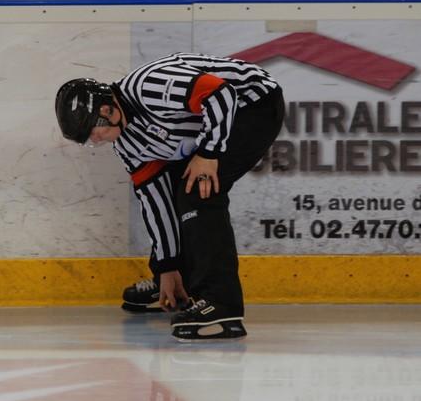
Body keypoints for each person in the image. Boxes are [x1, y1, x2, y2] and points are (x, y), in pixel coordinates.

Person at [55, 52, 284, 341]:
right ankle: (182, 282)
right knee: (180, 191)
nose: (95, 140)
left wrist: (208, 153)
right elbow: (155, 200)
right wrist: (167, 267)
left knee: (199, 192)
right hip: (214, 120)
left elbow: (220, 94)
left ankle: (221, 303)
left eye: (93, 132)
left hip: (253, 102)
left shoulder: (148, 86)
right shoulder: (126, 145)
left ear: (108, 110)